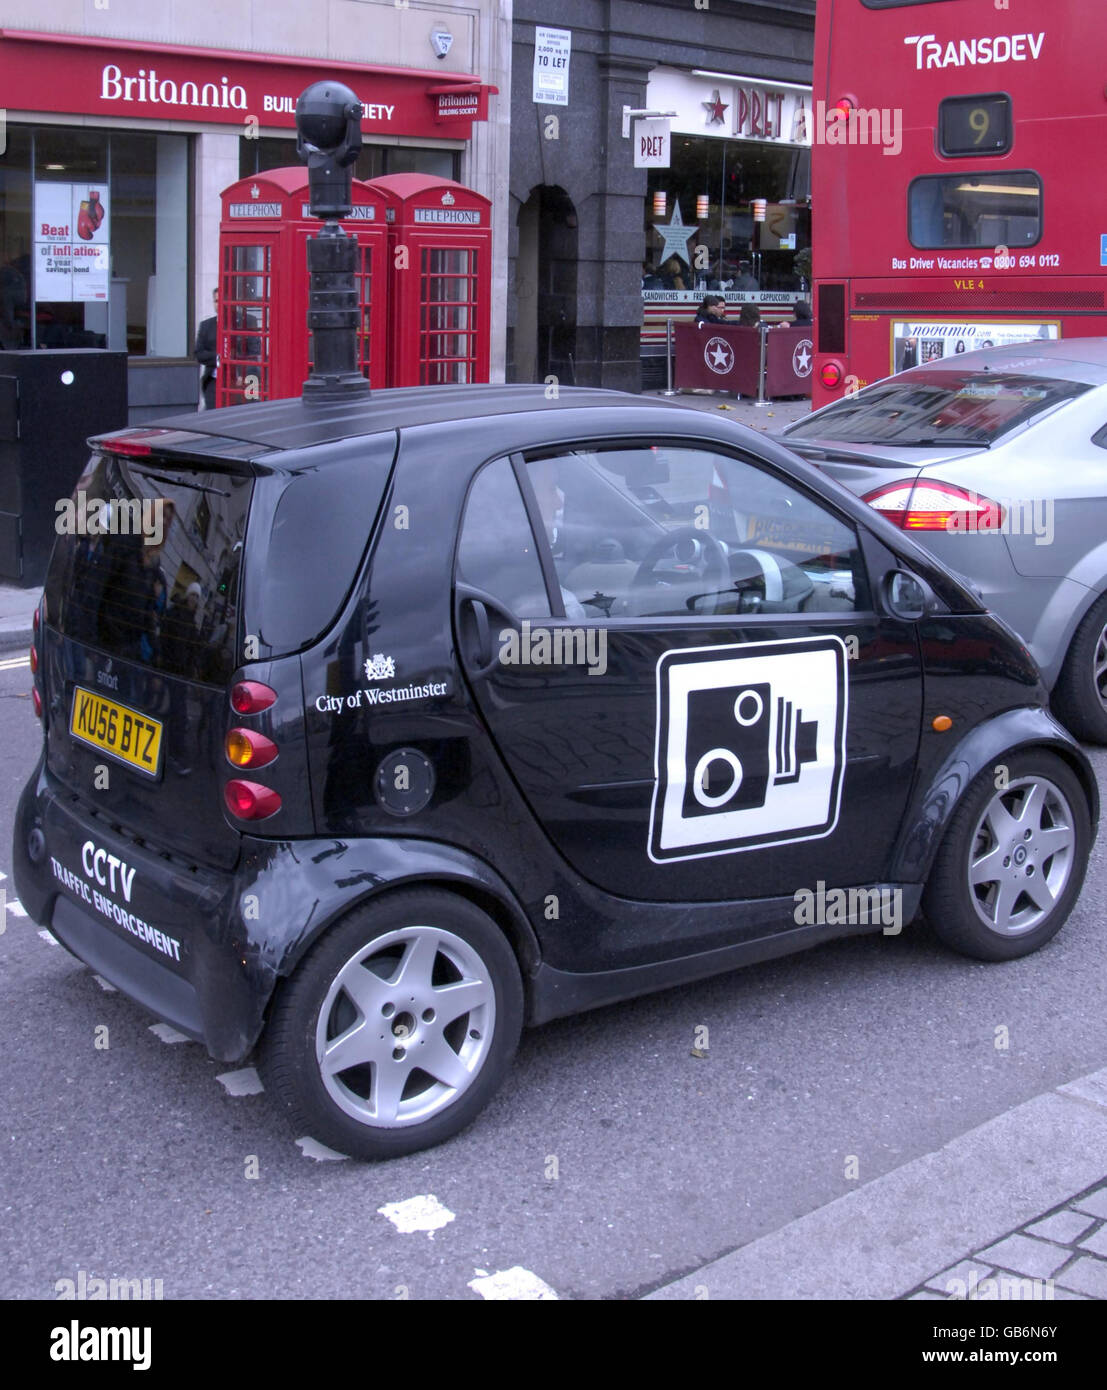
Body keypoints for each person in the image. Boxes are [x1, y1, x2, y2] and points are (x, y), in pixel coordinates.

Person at [194, 288, 218, 410]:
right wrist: (219, 358)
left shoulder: (246, 321)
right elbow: (198, 353)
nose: (218, 304)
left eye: (222, 300)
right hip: (213, 381)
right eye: (216, 301)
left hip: (239, 383)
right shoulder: (206, 325)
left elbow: (255, 352)